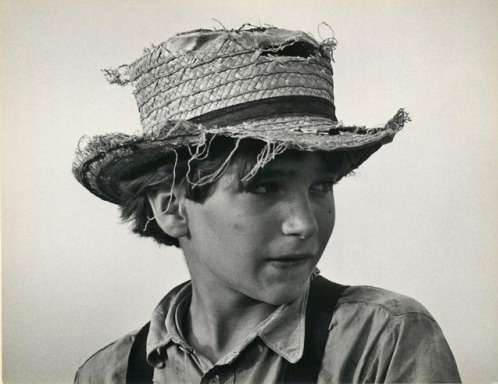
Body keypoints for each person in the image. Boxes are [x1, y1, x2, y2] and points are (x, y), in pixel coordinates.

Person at [73, 25, 461, 383]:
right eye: (263, 187)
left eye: (321, 185)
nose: (304, 224)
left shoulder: (381, 340)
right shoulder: (111, 374)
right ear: (172, 208)